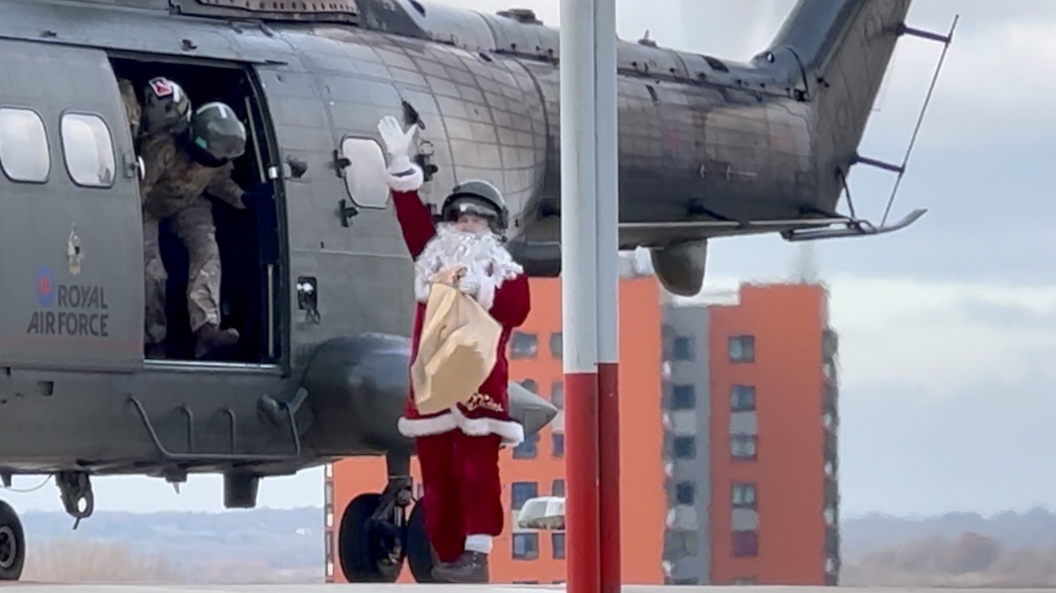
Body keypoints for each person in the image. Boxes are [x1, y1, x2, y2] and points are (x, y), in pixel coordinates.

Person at [377, 115, 531, 584]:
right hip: (434, 386)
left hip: (481, 389)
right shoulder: (433, 259)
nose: (467, 226)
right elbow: (410, 217)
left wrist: (479, 287)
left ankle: (476, 554)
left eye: (478, 219)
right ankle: (447, 561)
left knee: (474, 472)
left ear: (494, 228)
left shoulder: (505, 274)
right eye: (461, 217)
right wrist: (401, 167)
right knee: (438, 479)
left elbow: (516, 309)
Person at [139, 101, 257, 360]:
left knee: (207, 253)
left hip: (190, 203)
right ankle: (153, 338)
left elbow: (219, 183)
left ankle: (206, 329)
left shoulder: (218, 158)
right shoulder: (162, 150)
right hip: (149, 205)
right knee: (152, 271)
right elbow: (141, 187)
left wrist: (243, 199)